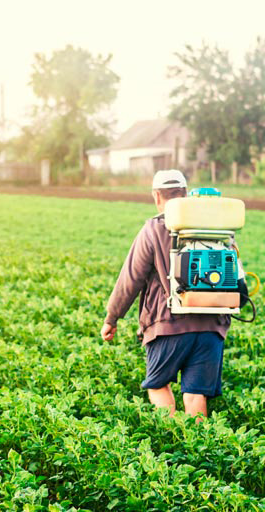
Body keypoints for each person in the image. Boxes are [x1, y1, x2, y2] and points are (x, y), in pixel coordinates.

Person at [100, 169, 232, 421]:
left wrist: (112, 317)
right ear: (185, 193)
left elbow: (131, 278)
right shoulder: (215, 226)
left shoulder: (154, 228)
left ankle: (170, 436)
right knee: (195, 395)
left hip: (167, 325)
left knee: (157, 385)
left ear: (156, 196)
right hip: (211, 325)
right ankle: (200, 449)